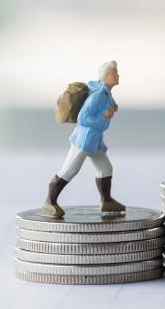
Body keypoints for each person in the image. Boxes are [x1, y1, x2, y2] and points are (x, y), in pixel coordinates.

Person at [43, 60, 126, 217]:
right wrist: (104, 115)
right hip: (84, 140)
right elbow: (83, 118)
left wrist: (112, 108)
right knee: (69, 170)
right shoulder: (98, 95)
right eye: (115, 73)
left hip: (95, 141)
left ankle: (106, 201)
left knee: (105, 168)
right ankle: (50, 201)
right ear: (107, 75)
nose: (118, 75)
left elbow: (107, 107)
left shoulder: (106, 93)